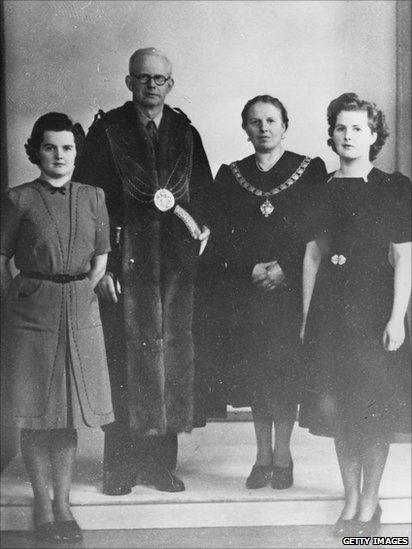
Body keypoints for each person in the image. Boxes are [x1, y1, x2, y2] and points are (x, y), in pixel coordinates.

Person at [74, 47, 213, 495]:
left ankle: (160, 465)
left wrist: (196, 244)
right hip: (125, 260)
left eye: (159, 79)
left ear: (170, 84)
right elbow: (91, 202)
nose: (151, 85)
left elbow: (203, 195)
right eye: (143, 78)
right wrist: (104, 268)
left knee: (170, 356)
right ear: (129, 82)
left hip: (174, 264)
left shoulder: (185, 131)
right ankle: (119, 466)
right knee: (124, 358)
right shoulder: (107, 130)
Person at [195, 95, 327, 489]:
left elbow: (316, 231)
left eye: (271, 120)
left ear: (285, 125)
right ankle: (261, 456)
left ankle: (283, 456)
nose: (264, 128)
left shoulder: (309, 170)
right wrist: (248, 268)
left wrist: (286, 267)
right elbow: (219, 239)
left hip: (291, 292)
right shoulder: (231, 174)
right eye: (255, 122)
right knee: (255, 372)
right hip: (247, 291)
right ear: (245, 128)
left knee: (283, 373)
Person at [299, 93, 411, 537]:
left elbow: (405, 257)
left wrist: (397, 318)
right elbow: (312, 257)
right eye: (341, 128)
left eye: (358, 129)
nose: (348, 136)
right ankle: (350, 500)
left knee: (373, 410)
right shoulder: (319, 190)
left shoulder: (395, 187)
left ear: (373, 135)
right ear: (332, 134)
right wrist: (307, 320)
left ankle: (370, 503)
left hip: (374, 310)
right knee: (342, 411)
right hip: (331, 312)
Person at [0, 112, 114, 543]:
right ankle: (42, 504)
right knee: (35, 413)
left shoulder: (94, 196)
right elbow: (0, 258)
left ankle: (63, 503)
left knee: (65, 416)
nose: (60, 156)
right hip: (31, 313)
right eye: (50, 147)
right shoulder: (18, 199)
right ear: (36, 151)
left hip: (78, 311)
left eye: (67, 147)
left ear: (77, 152)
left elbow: (101, 256)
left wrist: (86, 287)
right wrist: (17, 299)